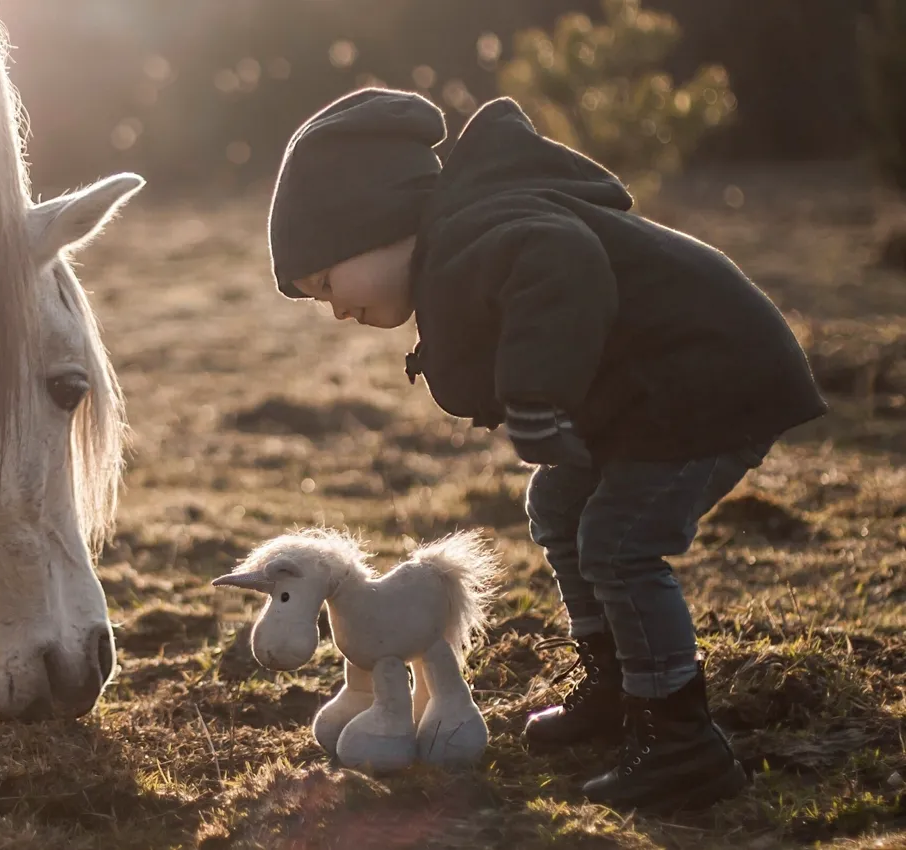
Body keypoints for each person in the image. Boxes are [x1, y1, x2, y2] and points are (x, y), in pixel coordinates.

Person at [265, 87, 827, 811]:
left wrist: (535, 394)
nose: (337, 309)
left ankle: (682, 742)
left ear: (374, 221)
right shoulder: (456, 243)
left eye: (327, 281)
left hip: (714, 380)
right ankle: (616, 684)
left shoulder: (480, 229)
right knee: (558, 499)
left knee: (619, 540)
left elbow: (561, 258)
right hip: (658, 395)